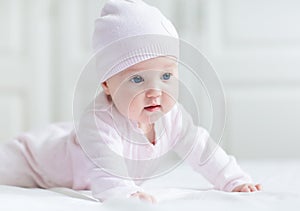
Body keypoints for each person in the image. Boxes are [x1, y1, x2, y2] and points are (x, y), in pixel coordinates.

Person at [0, 0, 262, 203]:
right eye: (137, 80)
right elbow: (107, 171)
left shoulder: (172, 118)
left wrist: (233, 180)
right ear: (106, 85)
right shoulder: (99, 121)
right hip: (36, 161)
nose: (155, 91)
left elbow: (202, 149)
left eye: (166, 75)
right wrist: (124, 194)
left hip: (70, 142)